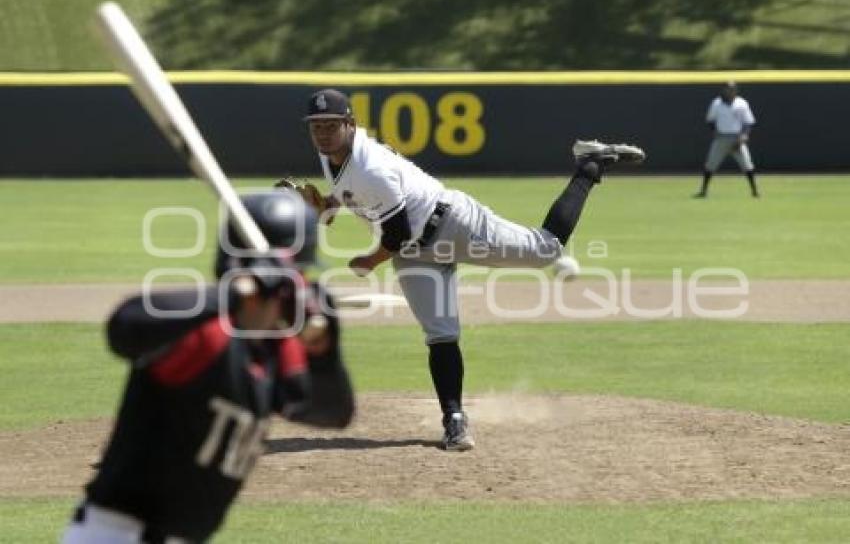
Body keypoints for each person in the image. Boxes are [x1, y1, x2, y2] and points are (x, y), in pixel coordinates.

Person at [301, 88, 644, 451]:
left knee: (546, 249)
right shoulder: (332, 155)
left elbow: (397, 234)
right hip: (417, 253)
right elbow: (352, 193)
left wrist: (367, 261)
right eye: (316, 126)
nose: (323, 133)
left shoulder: (372, 168)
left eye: (331, 125)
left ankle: (589, 165)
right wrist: (327, 205)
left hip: (454, 225)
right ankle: (454, 420)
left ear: (350, 125)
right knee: (440, 333)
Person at [61, 191, 354, 543]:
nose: (303, 285)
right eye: (299, 274)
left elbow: (329, 412)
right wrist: (238, 292)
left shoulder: (273, 349)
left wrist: (325, 353)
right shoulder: (207, 334)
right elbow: (124, 328)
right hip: (121, 535)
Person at [694, 81, 760, 198]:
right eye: (728, 89)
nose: (731, 91)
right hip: (722, 138)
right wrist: (715, 132)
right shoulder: (717, 103)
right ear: (724, 90)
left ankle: (754, 191)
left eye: (733, 89)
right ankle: (703, 191)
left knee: (747, 164)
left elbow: (748, 122)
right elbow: (710, 120)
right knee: (710, 164)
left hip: (737, 138)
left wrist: (744, 136)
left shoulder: (742, 103)